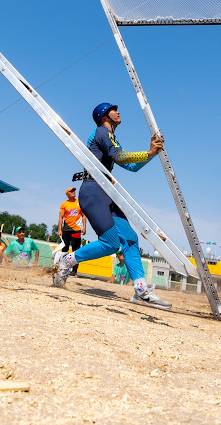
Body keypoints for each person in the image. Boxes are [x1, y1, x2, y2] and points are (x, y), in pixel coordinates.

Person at [53, 103, 172, 310]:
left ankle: (141, 290)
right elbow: (120, 157)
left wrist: (151, 153)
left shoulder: (111, 138)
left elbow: (130, 166)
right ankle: (66, 260)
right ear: (104, 116)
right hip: (93, 191)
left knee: (130, 239)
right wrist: (148, 151)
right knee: (110, 243)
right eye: (114, 110)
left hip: (107, 192)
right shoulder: (101, 132)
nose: (118, 112)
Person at [57, 187, 86, 273]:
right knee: (64, 248)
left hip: (77, 229)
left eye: (74, 191)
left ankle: (74, 271)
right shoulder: (64, 204)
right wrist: (59, 230)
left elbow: (84, 215)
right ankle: (62, 268)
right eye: (71, 191)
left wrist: (84, 227)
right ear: (67, 194)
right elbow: (61, 217)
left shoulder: (79, 202)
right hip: (66, 229)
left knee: (76, 249)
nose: (73, 192)